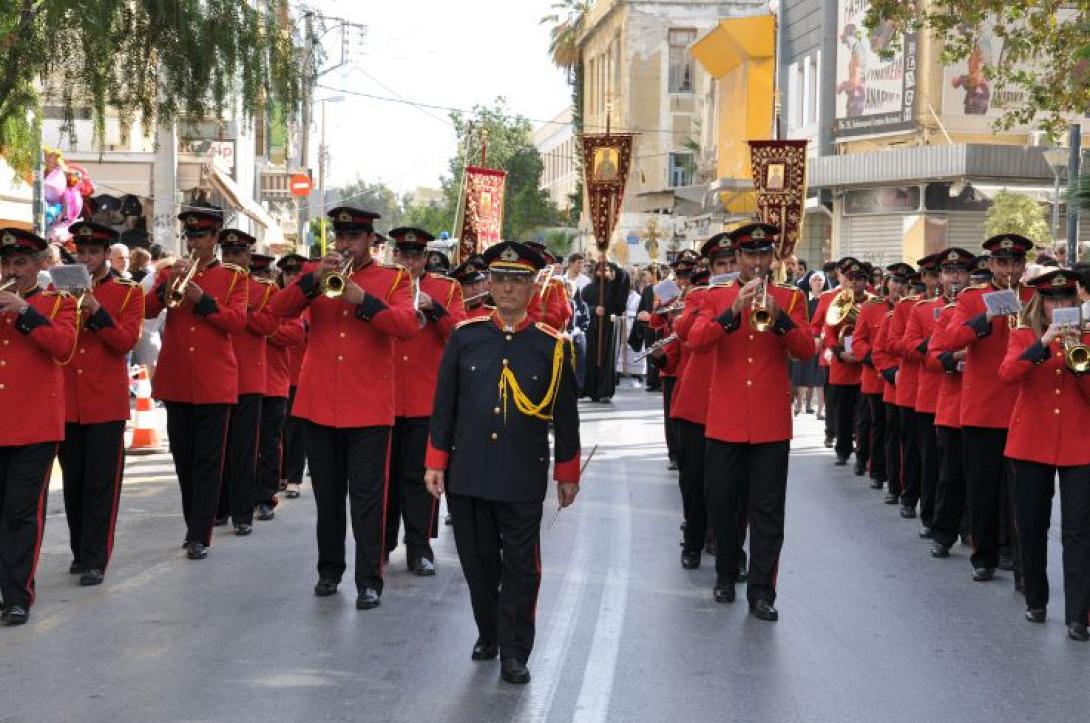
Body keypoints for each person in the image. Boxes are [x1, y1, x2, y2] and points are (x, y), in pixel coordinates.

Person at [424, 240, 581, 684]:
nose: (508, 288)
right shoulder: (465, 337)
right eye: (500, 279)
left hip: (521, 473)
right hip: (469, 470)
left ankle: (515, 650)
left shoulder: (552, 346)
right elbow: (444, 406)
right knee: (477, 563)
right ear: (488, 284)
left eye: (518, 280)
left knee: (520, 566)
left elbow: (565, 417)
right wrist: (435, 461)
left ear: (533, 286)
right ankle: (488, 631)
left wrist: (566, 474)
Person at [269, 206, 417, 610]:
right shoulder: (316, 273)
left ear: (371, 239)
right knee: (329, 497)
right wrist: (312, 282)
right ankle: (328, 571)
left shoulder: (393, 279)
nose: (346, 245)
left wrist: (363, 300)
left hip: (369, 407)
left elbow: (406, 327)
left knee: (367, 499)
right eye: (341, 237)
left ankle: (369, 580)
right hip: (319, 404)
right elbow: (277, 311)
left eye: (354, 237)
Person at [688, 223, 815, 620]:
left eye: (764, 256)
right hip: (725, 419)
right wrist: (733, 311)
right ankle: (727, 574)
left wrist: (781, 321)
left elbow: (806, 348)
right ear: (738, 258)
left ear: (773, 258)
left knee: (767, 511)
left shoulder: (791, 298)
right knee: (723, 504)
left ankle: (763, 592)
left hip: (769, 421)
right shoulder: (713, 297)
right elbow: (696, 340)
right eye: (750, 256)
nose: (758, 263)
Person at [144, 208, 248, 560]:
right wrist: (166, 288)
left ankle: (199, 534)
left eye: (200, 236)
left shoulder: (234, 277)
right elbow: (145, 309)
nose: (194, 243)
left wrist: (202, 299)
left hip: (214, 382)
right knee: (183, 460)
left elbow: (235, 323)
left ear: (215, 239)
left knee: (207, 462)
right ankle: (194, 524)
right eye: (189, 237)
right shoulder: (171, 272)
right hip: (177, 380)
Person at [998, 269, 1090, 641]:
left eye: (1066, 299)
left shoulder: (1086, 338)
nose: (1059, 306)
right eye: (1052, 300)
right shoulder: (1022, 335)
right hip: (1031, 441)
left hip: (1079, 444)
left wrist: (1077, 363)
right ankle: (1036, 600)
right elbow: (1007, 374)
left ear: (1075, 303)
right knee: (1032, 525)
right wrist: (1043, 344)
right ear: (1041, 303)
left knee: (1079, 532)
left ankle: (1078, 616)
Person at [937, 233, 1035, 584]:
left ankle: (1016, 554)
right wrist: (984, 321)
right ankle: (985, 555)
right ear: (990, 264)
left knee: (1020, 492)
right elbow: (948, 341)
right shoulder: (972, 299)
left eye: (1015, 263)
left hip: (1025, 407)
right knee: (983, 488)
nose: (1009, 269)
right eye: (1002, 262)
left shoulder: (1035, 297)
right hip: (983, 408)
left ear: (1023, 265)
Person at [59, 222, 144, 588]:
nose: (87, 259)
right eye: (83, 252)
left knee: (101, 484)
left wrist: (97, 311)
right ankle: (80, 551)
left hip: (105, 402)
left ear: (107, 254)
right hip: (67, 400)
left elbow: (126, 342)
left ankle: (96, 558)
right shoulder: (60, 287)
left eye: (94, 252)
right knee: (74, 483)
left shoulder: (129, 292)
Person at [0, 228, 78, 625]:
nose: (11, 270)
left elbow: (64, 348)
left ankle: (17, 596)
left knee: (21, 513)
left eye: (20, 263)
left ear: (37, 265)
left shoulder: (58, 302)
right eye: (6, 263)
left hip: (35, 426)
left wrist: (24, 312)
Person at [384, 227, 466, 575]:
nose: (409, 262)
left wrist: (435, 310)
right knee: (383, 479)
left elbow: (462, 333)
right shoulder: (382, 284)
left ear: (425, 258)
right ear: (394, 255)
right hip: (384, 395)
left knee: (421, 479)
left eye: (415, 256)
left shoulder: (446, 289)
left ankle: (419, 548)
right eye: (402, 255)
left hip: (423, 396)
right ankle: (382, 546)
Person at [671, 233, 737, 570]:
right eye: (721, 265)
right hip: (697, 402)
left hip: (734, 402)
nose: (728, 269)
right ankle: (693, 540)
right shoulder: (700, 296)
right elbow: (686, 332)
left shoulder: (753, 295)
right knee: (693, 481)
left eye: (731, 263)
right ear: (711, 269)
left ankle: (730, 548)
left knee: (730, 486)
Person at [904, 248, 973, 538]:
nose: (954, 278)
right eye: (949, 272)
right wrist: (943, 351)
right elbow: (911, 347)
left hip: (974, 399)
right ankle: (934, 519)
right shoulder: (922, 309)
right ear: (940, 276)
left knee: (971, 473)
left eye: (960, 272)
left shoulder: (977, 305)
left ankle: (969, 527)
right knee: (936, 467)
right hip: (936, 394)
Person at [214, 229, 278, 535]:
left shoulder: (264, 289)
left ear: (249, 257)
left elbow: (268, 325)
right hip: (216, 376)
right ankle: (220, 507)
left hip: (248, 378)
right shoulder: (213, 282)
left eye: (238, 254)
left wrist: (241, 311)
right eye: (226, 254)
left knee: (243, 448)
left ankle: (242, 513)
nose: (231, 260)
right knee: (218, 450)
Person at [252, 253, 304, 518]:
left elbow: (296, 333)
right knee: (245, 445)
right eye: (254, 274)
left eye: (262, 274)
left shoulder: (283, 302)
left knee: (274, 442)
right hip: (244, 381)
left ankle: (267, 494)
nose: (258, 280)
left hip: (276, 379)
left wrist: (265, 329)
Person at [822, 258, 870, 467]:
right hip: (842, 367)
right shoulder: (838, 300)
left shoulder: (873, 301)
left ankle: (862, 454)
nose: (855, 282)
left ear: (866, 281)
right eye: (851, 278)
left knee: (864, 416)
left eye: (860, 278)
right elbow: (830, 332)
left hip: (864, 367)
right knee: (842, 413)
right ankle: (842, 451)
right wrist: (840, 354)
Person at [276, 254, 308, 499]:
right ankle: (281, 473)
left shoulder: (311, 301)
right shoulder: (277, 300)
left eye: (296, 274)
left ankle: (294, 477)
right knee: (279, 429)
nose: (291, 278)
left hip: (301, 373)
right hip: (278, 374)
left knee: (296, 431)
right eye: (287, 274)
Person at [580, 258, 629, 402]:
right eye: (601, 270)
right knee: (591, 358)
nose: (603, 273)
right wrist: (594, 309)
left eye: (607, 270)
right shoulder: (588, 289)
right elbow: (582, 308)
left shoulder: (614, 288)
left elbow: (621, 303)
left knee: (607, 359)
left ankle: (604, 392)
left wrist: (614, 265)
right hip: (592, 327)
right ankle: (591, 390)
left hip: (609, 327)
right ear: (595, 271)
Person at [792, 271, 826, 416]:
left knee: (819, 374)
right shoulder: (804, 299)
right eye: (815, 280)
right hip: (808, 338)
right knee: (802, 372)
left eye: (820, 280)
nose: (818, 283)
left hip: (822, 340)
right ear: (810, 283)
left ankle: (818, 409)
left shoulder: (826, 299)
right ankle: (799, 403)